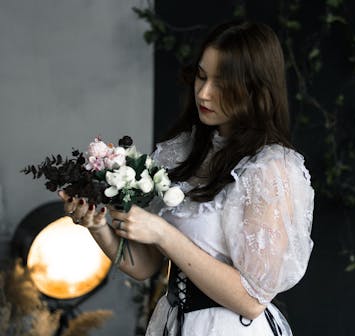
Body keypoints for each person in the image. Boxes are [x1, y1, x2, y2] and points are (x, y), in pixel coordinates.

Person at [59, 20, 314, 336]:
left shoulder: (270, 169)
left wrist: (164, 233)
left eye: (221, 83)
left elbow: (252, 301)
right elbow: (144, 265)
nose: (204, 93)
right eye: (201, 76)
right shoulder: (182, 152)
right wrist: (98, 227)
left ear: (254, 90)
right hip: (175, 323)